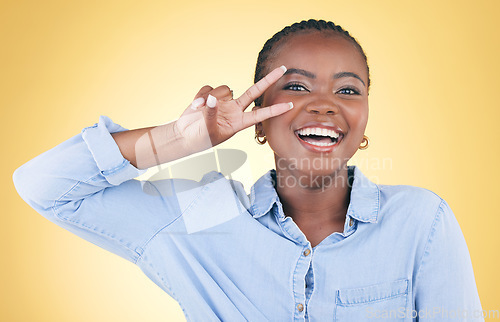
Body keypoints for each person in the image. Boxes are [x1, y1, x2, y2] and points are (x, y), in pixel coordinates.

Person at [13, 19, 483, 321]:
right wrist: (175, 140)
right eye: (297, 86)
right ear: (258, 119)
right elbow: (45, 186)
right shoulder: (198, 216)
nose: (324, 106)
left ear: (363, 125)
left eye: (347, 91)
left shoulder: (421, 221)